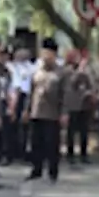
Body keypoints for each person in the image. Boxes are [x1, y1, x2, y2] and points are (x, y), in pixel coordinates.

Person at [27, 39, 67, 183]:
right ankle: (36, 170)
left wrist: (64, 112)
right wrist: (27, 109)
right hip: (36, 111)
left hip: (53, 113)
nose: (46, 56)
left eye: (49, 53)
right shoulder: (36, 71)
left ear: (54, 54)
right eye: (44, 53)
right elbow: (31, 91)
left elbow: (65, 93)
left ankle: (52, 172)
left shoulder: (61, 73)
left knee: (51, 144)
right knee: (35, 142)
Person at [63, 49, 96, 165]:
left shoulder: (86, 70)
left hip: (84, 104)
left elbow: (91, 83)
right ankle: (70, 154)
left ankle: (84, 154)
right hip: (72, 104)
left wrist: (91, 93)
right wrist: (80, 71)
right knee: (71, 131)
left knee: (84, 130)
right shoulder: (67, 71)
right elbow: (73, 83)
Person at [6, 47, 36, 163]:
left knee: (24, 127)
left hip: (24, 97)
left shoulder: (30, 69)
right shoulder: (12, 67)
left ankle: (23, 151)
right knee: (12, 126)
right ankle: (13, 150)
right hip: (13, 96)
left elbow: (26, 86)